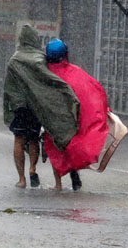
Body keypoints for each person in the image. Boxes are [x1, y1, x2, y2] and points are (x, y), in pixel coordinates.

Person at [3, 25, 80, 188]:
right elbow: (49, 80)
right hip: (36, 106)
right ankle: (33, 168)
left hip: (19, 107)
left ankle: (22, 179)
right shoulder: (41, 58)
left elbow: (8, 89)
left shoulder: (14, 61)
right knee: (33, 139)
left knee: (18, 140)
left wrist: (9, 108)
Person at [43, 39, 109, 191]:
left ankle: (58, 183)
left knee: (54, 148)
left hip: (54, 119)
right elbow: (92, 91)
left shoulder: (45, 75)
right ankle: (74, 171)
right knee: (71, 145)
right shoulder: (75, 72)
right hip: (72, 118)